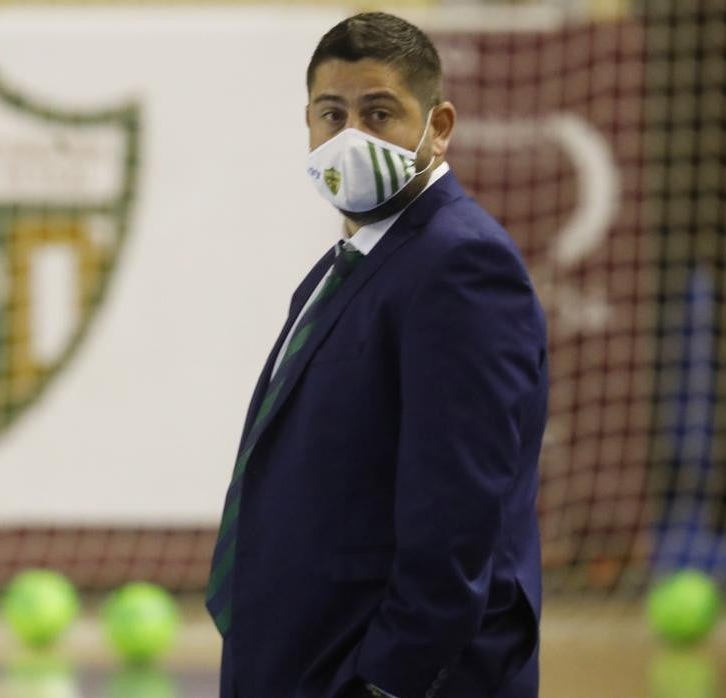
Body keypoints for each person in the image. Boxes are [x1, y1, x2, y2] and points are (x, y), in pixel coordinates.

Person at [204, 12, 548, 697]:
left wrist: (387, 682)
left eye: (379, 112)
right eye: (331, 114)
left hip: (378, 674)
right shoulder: (354, 261)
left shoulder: (460, 265)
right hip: (308, 658)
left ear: (438, 126)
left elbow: (455, 519)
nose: (350, 136)